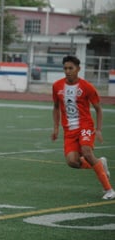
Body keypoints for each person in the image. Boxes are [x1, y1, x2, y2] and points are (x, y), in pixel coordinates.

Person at [51, 55, 114, 200]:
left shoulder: (87, 87)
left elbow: (98, 108)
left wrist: (98, 129)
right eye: (65, 68)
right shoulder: (57, 86)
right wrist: (56, 128)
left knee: (86, 151)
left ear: (78, 69)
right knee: (72, 162)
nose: (67, 71)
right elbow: (55, 107)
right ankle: (100, 163)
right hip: (69, 131)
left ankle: (109, 189)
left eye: (70, 68)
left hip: (84, 125)